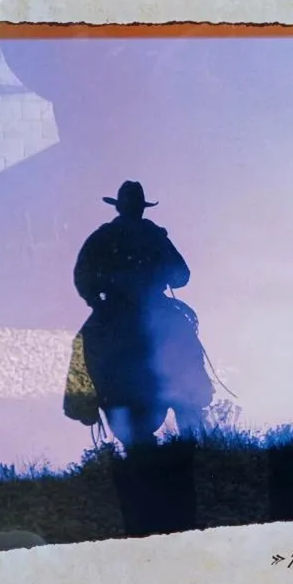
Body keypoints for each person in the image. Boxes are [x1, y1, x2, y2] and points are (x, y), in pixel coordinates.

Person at [63, 180, 213, 447]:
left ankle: (83, 403)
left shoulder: (104, 236)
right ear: (140, 208)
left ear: (120, 207)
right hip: (153, 305)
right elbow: (182, 275)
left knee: (84, 345)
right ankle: (197, 391)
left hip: (114, 309)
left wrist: (96, 299)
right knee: (183, 335)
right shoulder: (154, 235)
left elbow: (82, 275)